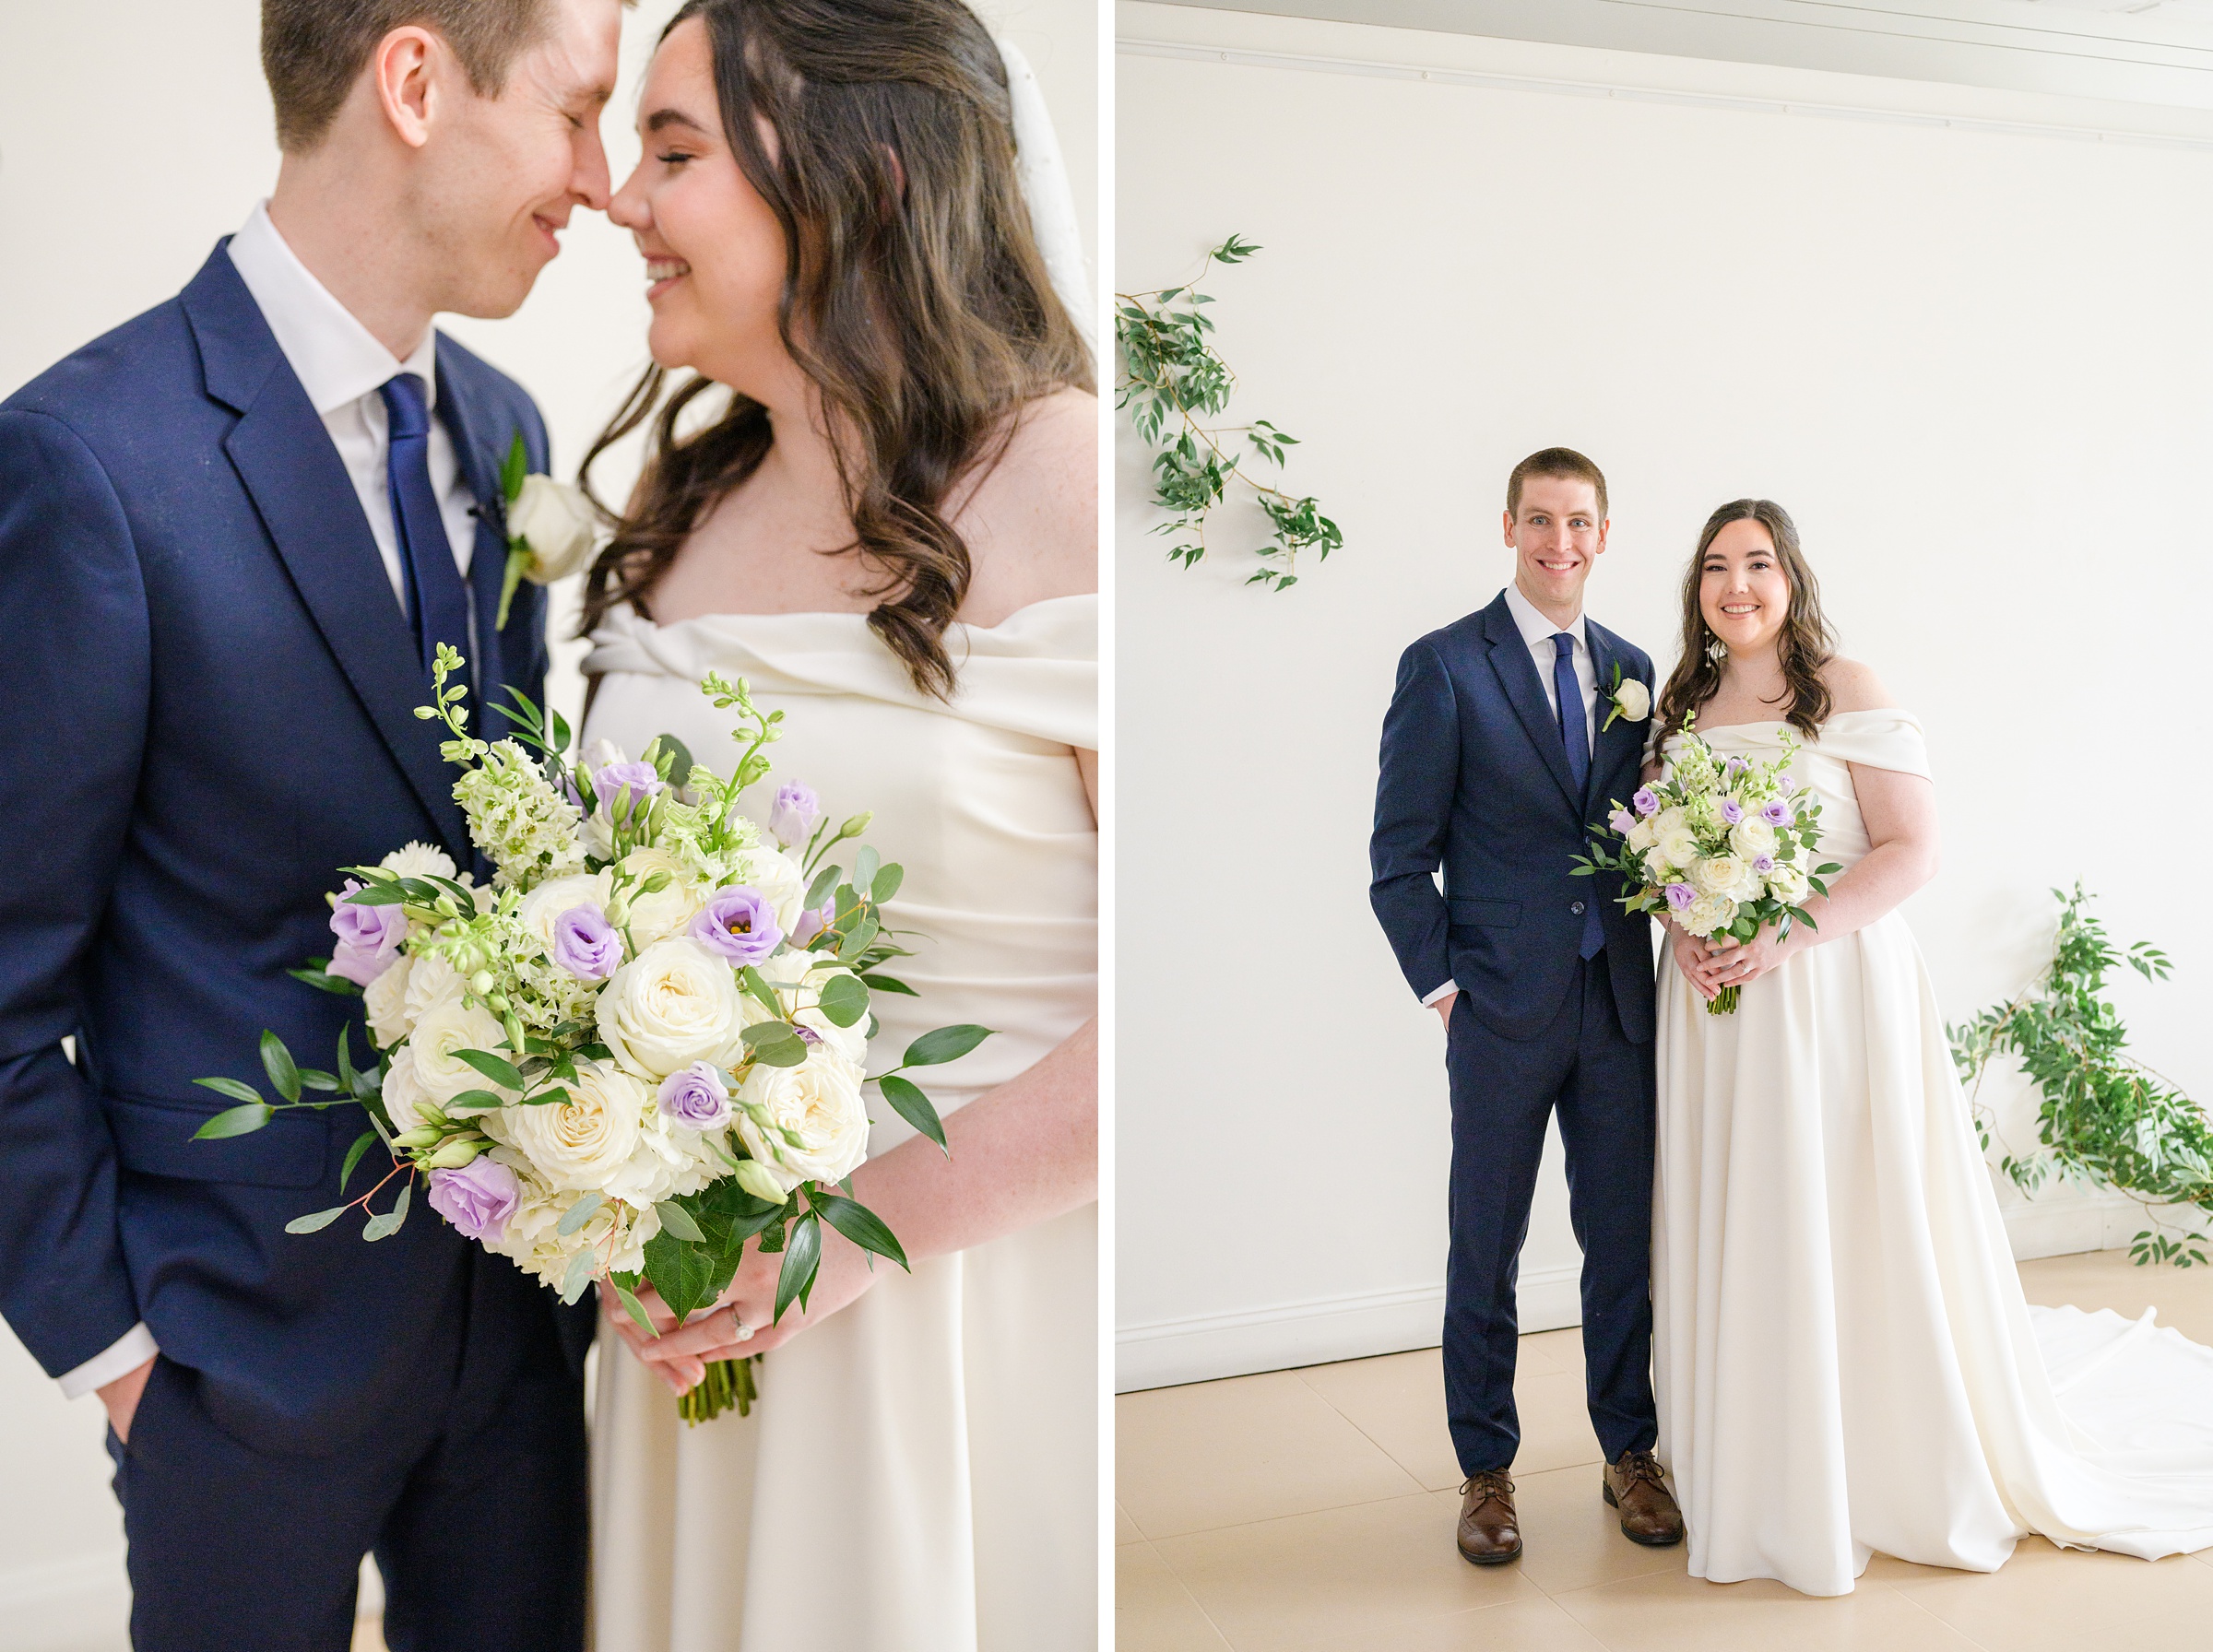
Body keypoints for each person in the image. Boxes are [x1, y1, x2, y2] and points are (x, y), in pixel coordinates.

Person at [0, 2, 622, 1645]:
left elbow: (495, 840)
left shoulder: (506, 431)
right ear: (416, 82)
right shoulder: (87, 462)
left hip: (513, 1334)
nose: (602, 180)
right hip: (233, 1366)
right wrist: (124, 1358)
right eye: (578, 115)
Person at [573, 4, 1099, 1647]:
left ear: (860, 180)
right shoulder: (680, 519)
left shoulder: (1063, 481)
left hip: (962, 1311)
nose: (622, 200)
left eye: (675, 151)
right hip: (693, 1316)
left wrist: (852, 1236)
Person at [1651, 498, 2213, 1596]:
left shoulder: (1845, 689)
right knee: (1750, 1208)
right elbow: (1665, 860)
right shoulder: (1681, 705)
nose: (1738, 585)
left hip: (1830, 991)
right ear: (1697, 589)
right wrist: (1688, 928)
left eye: (1758, 564)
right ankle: (1756, 1451)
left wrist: (1783, 934)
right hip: (1717, 1011)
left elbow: (1912, 852)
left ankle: (1874, 1454)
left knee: (1851, 1210)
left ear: (1792, 577)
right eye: (1717, 567)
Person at [1368, 447, 1684, 1566]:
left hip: (1614, 1002)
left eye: (1581, 522)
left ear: (1606, 533)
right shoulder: (1446, 665)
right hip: (1498, 1008)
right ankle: (1485, 1469)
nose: (1562, 542)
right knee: (1485, 1245)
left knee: (1621, 1243)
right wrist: (1447, 988)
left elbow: (1654, 834)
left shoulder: (1637, 668)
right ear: (1509, 526)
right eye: (1541, 520)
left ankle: (1629, 1450)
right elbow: (1399, 860)